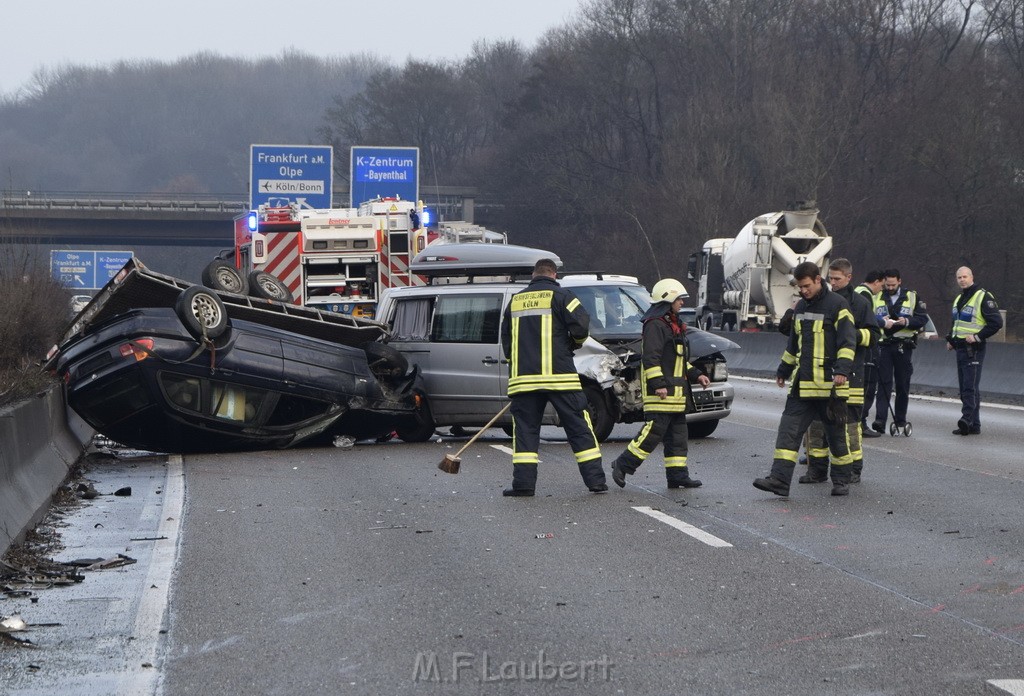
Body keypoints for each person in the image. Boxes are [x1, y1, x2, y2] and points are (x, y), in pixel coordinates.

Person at [500, 259, 607, 496]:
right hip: (560, 377)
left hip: (524, 380)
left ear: (533, 274)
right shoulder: (563, 297)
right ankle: (596, 482)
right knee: (579, 427)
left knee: (525, 432)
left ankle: (524, 486)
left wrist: (515, 363)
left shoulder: (515, 301)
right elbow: (581, 326)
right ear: (554, 274)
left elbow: (506, 339)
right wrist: (572, 344)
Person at [753, 261, 857, 497]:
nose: (804, 290)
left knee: (836, 437)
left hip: (830, 386)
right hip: (802, 386)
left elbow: (848, 342)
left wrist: (841, 370)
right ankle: (779, 480)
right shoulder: (800, 307)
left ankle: (841, 480)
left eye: (807, 286)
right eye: (800, 287)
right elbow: (794, 344)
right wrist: (783, 369)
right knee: (787, 432)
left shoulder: (838, 305)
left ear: (818, 280)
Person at [610, 279, 711, 491]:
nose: (682, 303)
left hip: (676, 395)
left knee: (678, 438)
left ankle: (678, 476)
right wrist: (658, 384)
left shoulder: (671, 324)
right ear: (668, 299)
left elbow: (679, 362)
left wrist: (697, 375)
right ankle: (622, 464)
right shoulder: (655, 325)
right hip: (662, 393)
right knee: (652, 434)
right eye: (679, 299)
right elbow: (651, 358)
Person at [801, 259, 879, 485]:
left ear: (848, 277)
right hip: (822, 374)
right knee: (816, 424)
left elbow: (874, 337)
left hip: (851, 375)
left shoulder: (860, 304)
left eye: (837, 279)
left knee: (850, 426)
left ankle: (854, 468)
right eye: (830, 278)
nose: (833, 283)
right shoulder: (819, 301)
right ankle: (816, 470)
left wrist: (849, 334)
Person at [946, 266, 1003, 436]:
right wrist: (951, 340)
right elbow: (957, 324)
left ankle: (966, 420)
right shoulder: (959, 299)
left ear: (972, 277)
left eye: (965, 276)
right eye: (959, 277)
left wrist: (978, 336)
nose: (962, 280)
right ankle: (974, 424)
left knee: (969, 387)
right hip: (961, 348)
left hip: (974, 349)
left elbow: (996, 323)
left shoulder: (983, 296)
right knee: (966, 387)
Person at [871, 269, 928, 433]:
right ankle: (880, 421)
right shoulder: (877, 296)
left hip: (904, 346)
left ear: (900, 282)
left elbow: (922, 318)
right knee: (883, 384)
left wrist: (907, 321)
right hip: (884, 345)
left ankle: (900, 420)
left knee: (903, 384)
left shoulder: (912, 296)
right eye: (887, 284)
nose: (889, 287)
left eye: (893, 285)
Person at [854, 270, 886, 438]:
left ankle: (857, 421)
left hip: (857, 345)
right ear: (876, 281)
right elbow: (869, 320)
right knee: (867, 385)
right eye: (881, 285)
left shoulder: (857, 291)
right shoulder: (865, 295)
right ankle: (861, 422)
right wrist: (884, 322)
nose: (881, 289)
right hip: (866, 347)